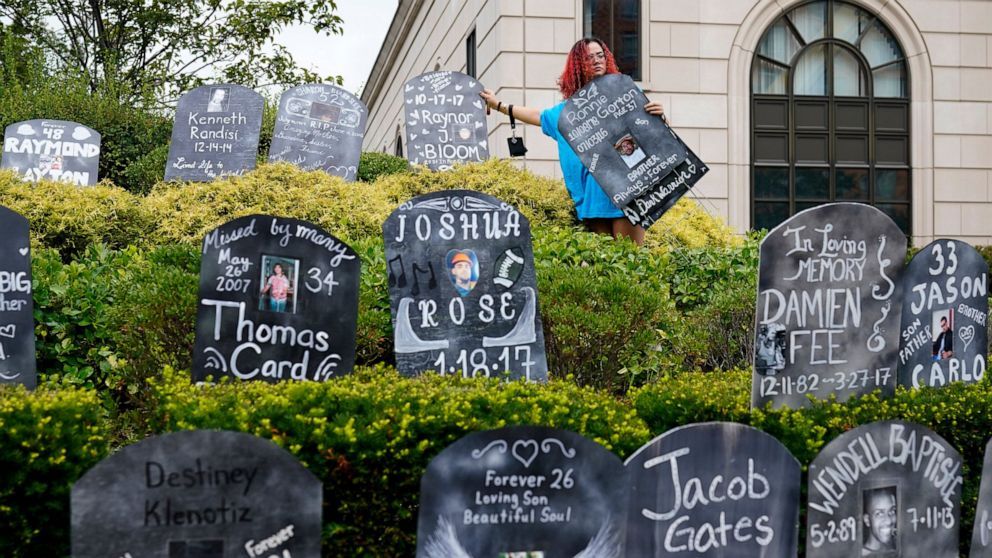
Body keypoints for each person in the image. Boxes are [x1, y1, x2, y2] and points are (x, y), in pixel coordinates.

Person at [480, 37, 666, 246]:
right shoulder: (569, 112)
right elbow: (538, 116)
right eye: (589, 57)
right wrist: (498, 105)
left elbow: (652, 134)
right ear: (578, 65)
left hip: (629, 188)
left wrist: (660, 116)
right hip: (595, 196)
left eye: (600, 55)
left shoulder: (626, 94)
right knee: (607, 262)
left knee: (631, 258)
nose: (597, 60)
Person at [862, 488, 897, 555]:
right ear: (867, 520)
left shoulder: (896, 545)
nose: (888, 521)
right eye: (879, 514)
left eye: (892, 511)